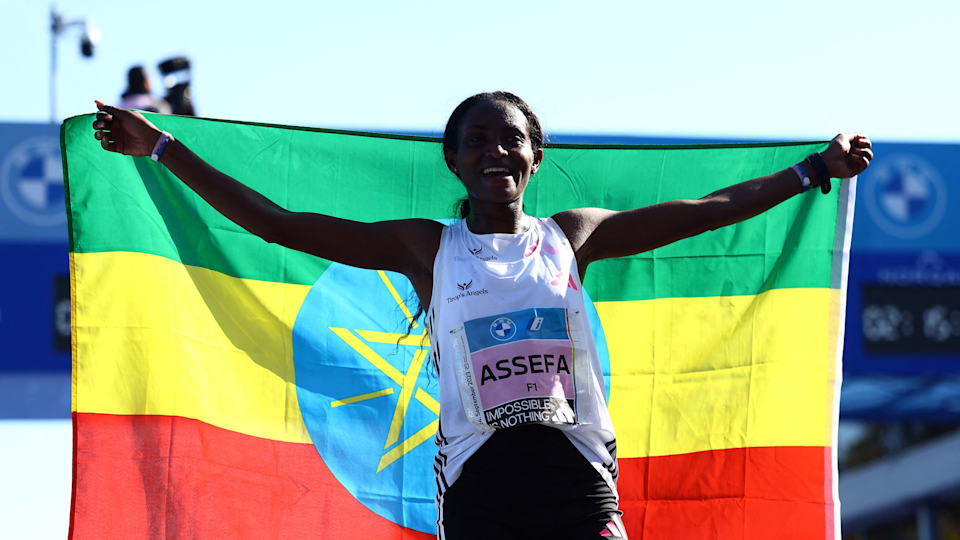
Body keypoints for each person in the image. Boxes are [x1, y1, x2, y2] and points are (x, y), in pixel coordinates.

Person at [91, 92, 873, 539]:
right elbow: (279, 226)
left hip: (577, 481)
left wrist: (812, 171)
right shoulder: (427, 249)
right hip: (478, 487)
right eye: (477, 142)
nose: (495, 153)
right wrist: (161, 148)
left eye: (512, 140)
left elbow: (706, 211)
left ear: (536, 155)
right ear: (454, 159)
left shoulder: (575, 235)